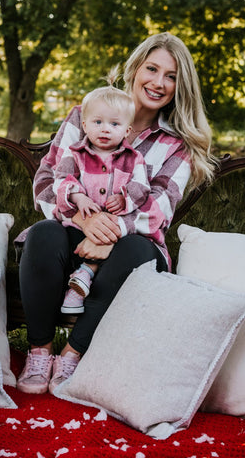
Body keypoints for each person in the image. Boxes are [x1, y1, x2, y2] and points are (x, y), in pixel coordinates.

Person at [16, 31, 217, 396]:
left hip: (130, 245)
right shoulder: (86, 114)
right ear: (135, 68)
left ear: (180, 85)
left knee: (138, 252)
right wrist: (83, 220)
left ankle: (72, 354)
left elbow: (159, 209)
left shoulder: (176, 144)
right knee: (44, 232)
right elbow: (48, 179)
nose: (158, 82)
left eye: (171, 76)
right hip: (76, 226)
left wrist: (110, 236)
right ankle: (39, 351)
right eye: (152, 69)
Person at [54, 81, 165, 315]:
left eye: (114, 124)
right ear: (84, 125)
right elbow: (62, 178)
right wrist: (79, 198)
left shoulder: (134, 159)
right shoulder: (76, 154)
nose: (105, 129)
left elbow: (141, 186)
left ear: (126, 131)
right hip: (82, 222)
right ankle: (81, 277)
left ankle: (80, 283)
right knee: (51, 234)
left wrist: (125, 198)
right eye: (97, 122)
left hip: (114, 231)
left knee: (116, 248)